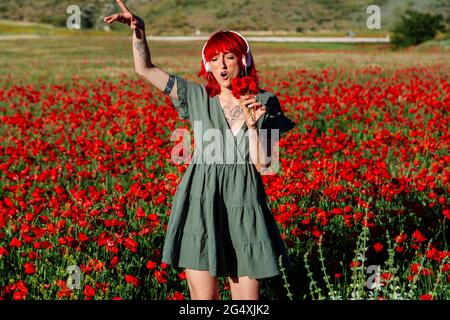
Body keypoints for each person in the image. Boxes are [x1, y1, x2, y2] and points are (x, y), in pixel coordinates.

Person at [104, 0, 295, 300]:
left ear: (243, 60)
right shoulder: (196, 96)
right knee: (203, 302)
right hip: (200, 200)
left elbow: (265, 166)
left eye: (229, 57)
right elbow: (145, 68)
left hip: (244, 204)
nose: (221, 66)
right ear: (207, 64)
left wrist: (254, 125)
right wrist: (139, 32)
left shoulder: (266, 102)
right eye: (214, 59)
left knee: (247, 303)